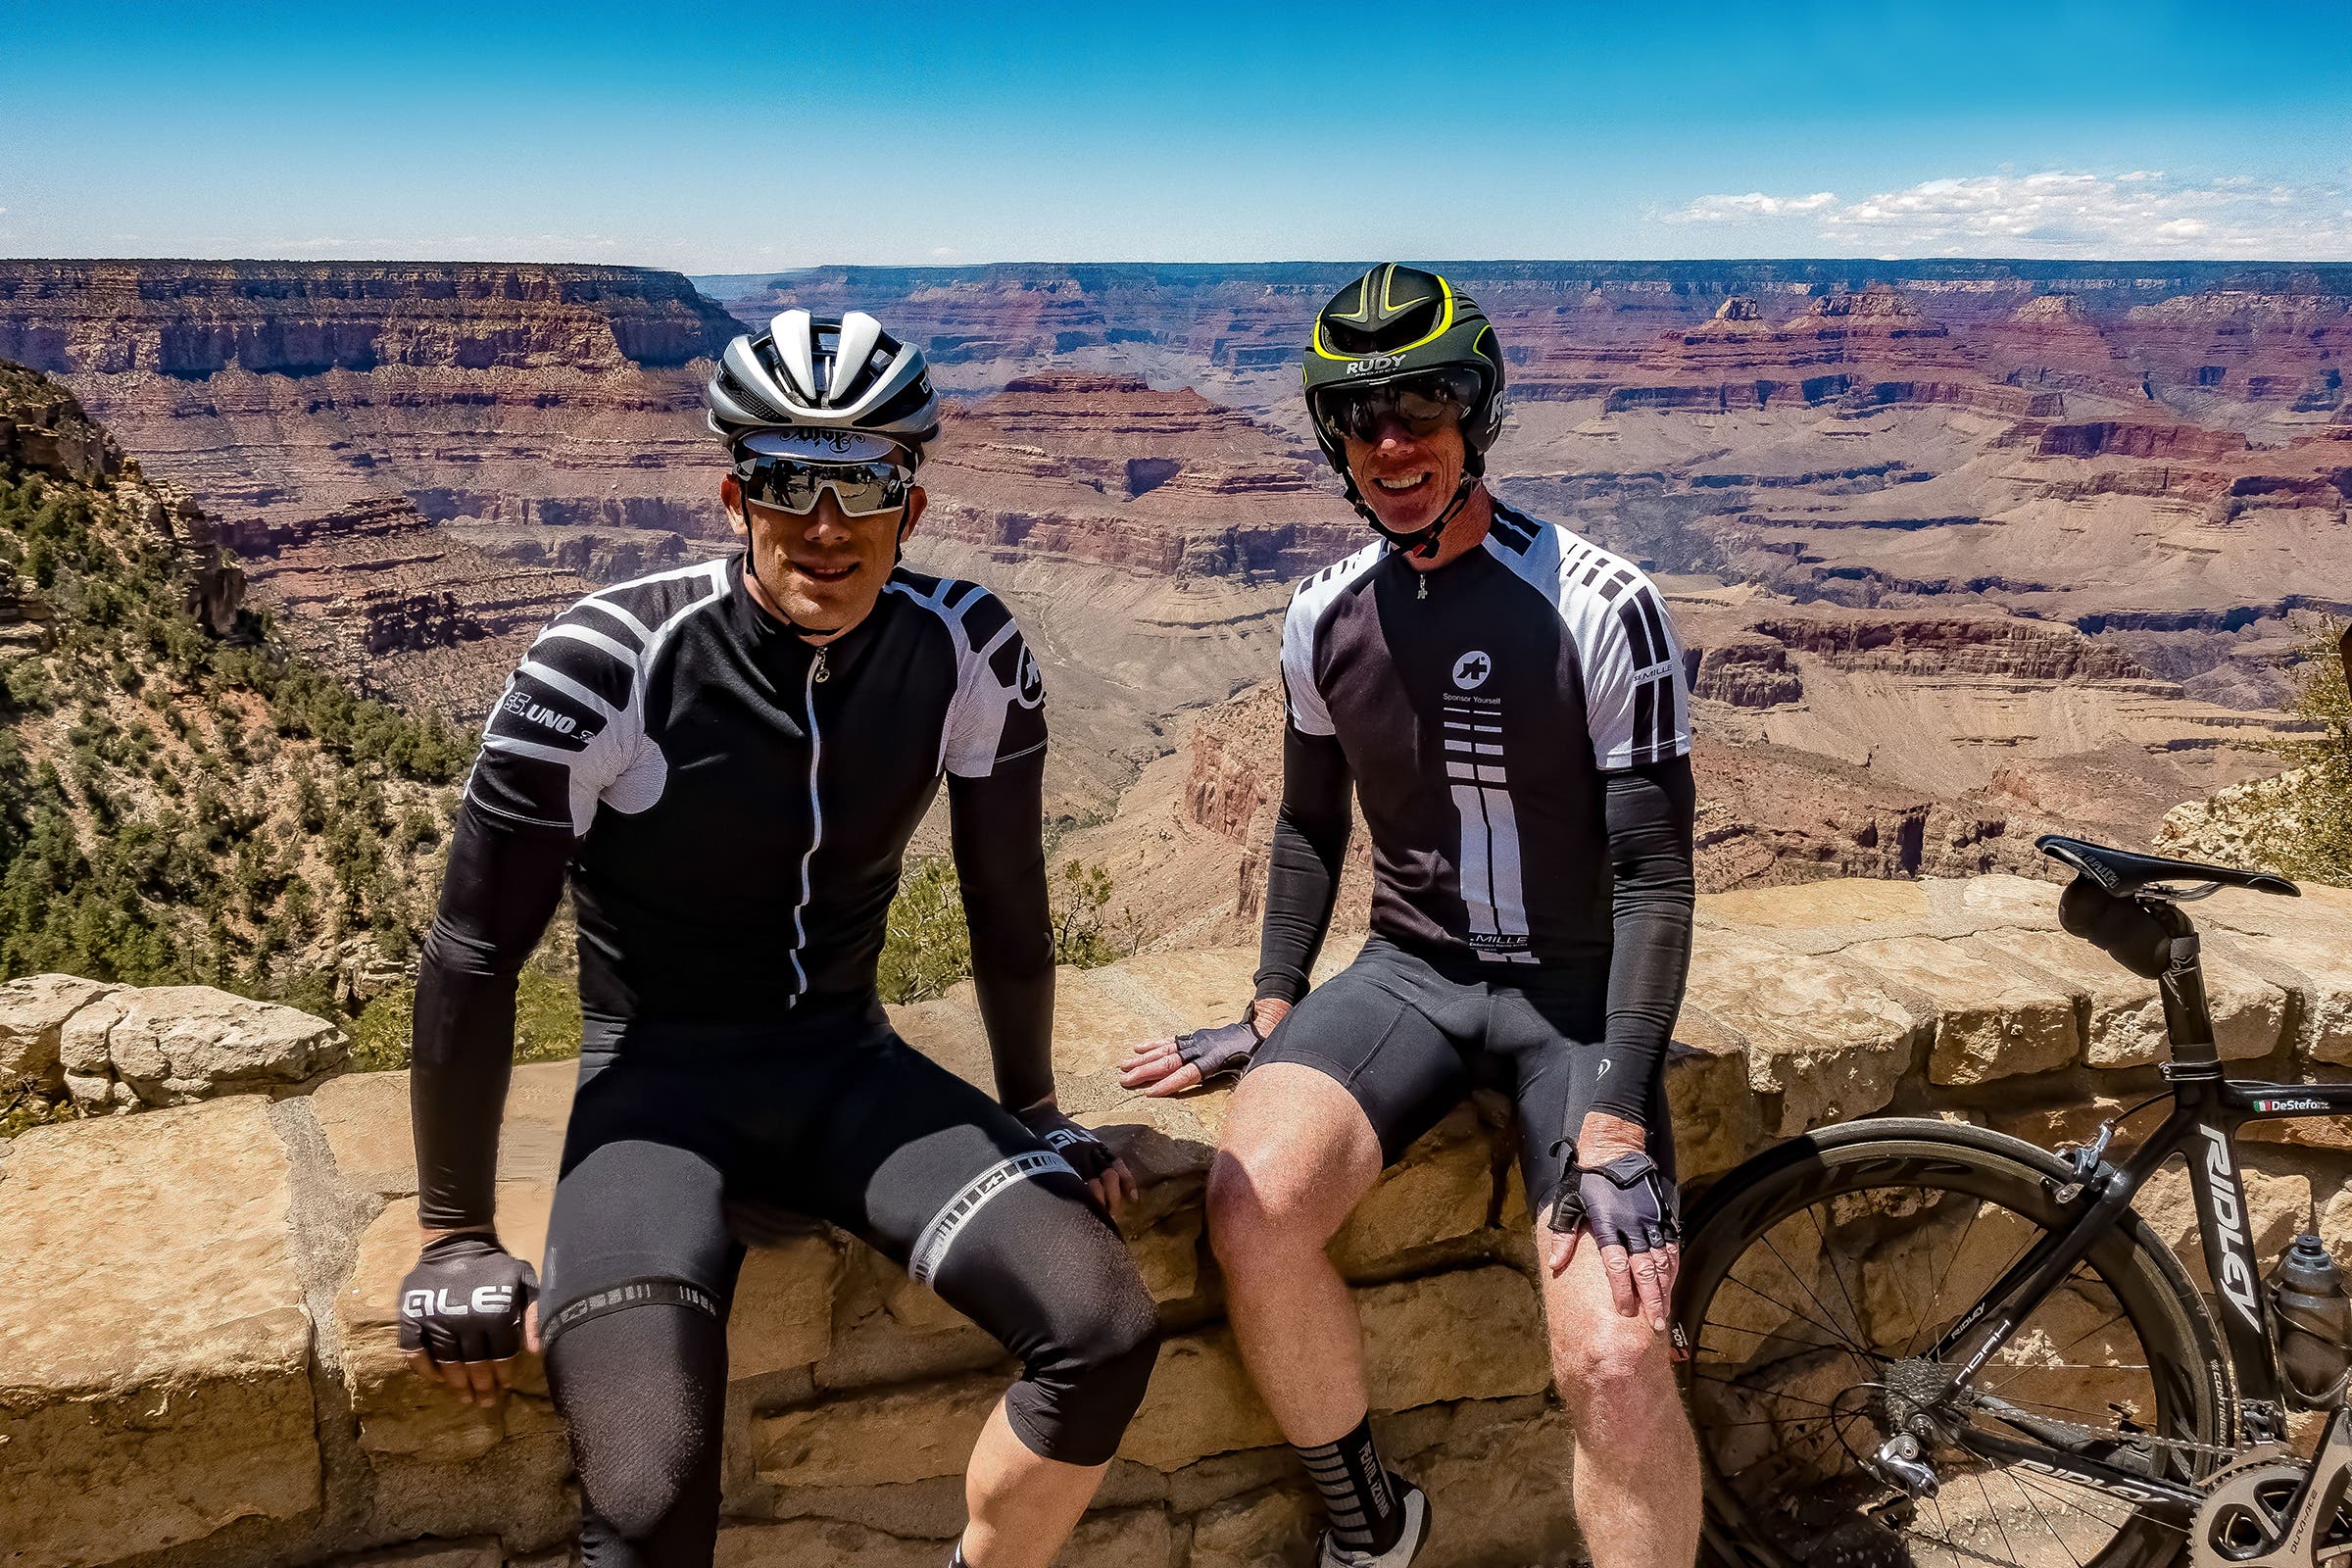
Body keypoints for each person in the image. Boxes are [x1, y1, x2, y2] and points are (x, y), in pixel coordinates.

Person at [396, 309, 1161, 1568]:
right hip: (655, 1093)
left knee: (1103, 1326)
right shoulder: (610, 663)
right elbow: (475, 951)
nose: (825, 522)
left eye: (862, 480)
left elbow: (1007, 894)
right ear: (732, 491)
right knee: (645, 1501)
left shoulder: (967, 645)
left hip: (845, 1072)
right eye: (787, 478)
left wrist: (1035, 1108)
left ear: (910, 503)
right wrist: (454, 1228)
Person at [1121, 266, 1701, 1568]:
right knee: (1246, 1209)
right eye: (1360, 416)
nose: (1394, 445)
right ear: (1332, 436)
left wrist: (1614, 1117)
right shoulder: (1321, 613)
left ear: (1476, 414)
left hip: (1578, 1001)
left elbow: (1658, 879)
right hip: (1413, 976)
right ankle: (1371, 1525)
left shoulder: (1603, 603)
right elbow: (1308, 821)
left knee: (1614, 1357)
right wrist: (1271, 1010)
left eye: (1425, 407)